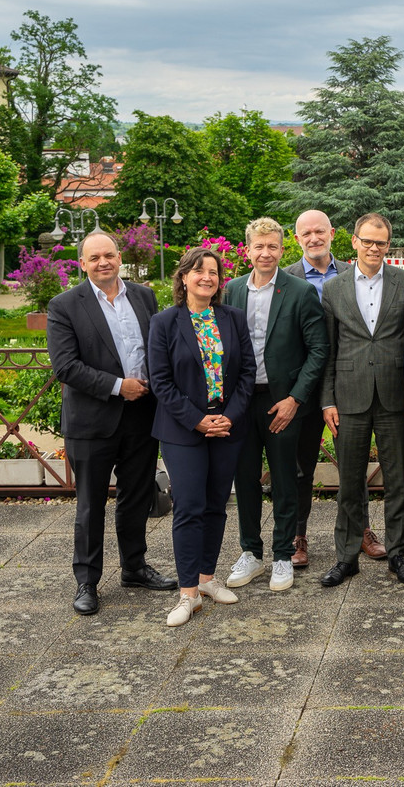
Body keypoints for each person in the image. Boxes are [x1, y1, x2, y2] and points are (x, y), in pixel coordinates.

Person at [47, 231, 175, 616]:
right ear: (82, 264)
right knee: (90, 505)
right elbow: (65, 367)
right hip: (92, 422)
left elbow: (156, 346)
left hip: (141, 416)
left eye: (110, 255)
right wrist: (120, 387)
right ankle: (87, 581)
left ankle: (134, 568)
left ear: (120, 258)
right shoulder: (65, 305)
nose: (104, 262)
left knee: (136, 498)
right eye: (95, 257)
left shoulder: (143, 296)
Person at [147, 247, 256, 627]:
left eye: (213, 272)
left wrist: (227, 417)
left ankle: (208, 579)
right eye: (198, 271)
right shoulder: (164, 322)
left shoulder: (233, 318)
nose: (206, 277)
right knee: (190, 507)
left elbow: (246, 374)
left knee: (215, 505)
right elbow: (160, 381)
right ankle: (187, 593)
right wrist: (198, 421)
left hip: (227, 428)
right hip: (182, 431)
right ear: (183, 278)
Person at [222, 218, 328, 592]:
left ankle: (283, 554)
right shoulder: (232, 291)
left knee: (286, 479)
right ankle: (251, 551)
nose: (265, 253)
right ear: (247, 249)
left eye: (272, 246)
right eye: (258, 246)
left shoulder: (299, 291)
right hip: (240, 402)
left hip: (283, 401)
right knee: (245, 478)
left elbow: (318, 349)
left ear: (283, 250)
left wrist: (295, 399)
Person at [318, 213, 404, 588]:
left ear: (388, 245)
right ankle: (346, 557)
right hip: (349, 398)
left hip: (396, 398)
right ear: (354, 242)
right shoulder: (334, 288)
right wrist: (327, 400)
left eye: (381, 242)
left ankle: (398, 555)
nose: (374, 248)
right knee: (349, 484)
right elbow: (328, 350)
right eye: (368, 241)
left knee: (398, 482)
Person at [285, 210, 380, 567]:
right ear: (297, 239)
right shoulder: (287, 278)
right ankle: (298, 536)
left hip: (349, 383)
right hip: (303, 385)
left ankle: (362, 531)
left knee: (353, 465)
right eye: (306, 233)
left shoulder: (352, 273)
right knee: (300, 467)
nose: (314, 238)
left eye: (319, 231)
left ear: (333, 234)